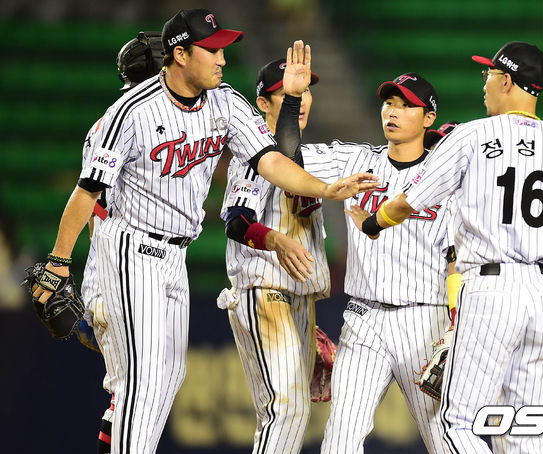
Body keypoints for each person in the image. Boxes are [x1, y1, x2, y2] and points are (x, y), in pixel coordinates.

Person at [28, 9, 376, 453]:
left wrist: (324, 188)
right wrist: (59, 262)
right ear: (180, 54)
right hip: (130, 246)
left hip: (176, 255)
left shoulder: (225, 102)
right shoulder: (131, 112)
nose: (223, 59)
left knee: (168, 377)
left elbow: (272, 160)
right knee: (143, 381)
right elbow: (86, 192)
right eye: (212, 50)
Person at [357, 41, 543, 453]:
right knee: (523, 429)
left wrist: (374, 222)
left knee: (456, 423)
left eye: (489, 74)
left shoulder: (472, 135)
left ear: (507, 81)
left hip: (492, 289)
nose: (485, 83)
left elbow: (409, 200)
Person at [275, 47, 461, 453]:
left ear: (429, 118)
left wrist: (456, 325)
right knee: (339, 440)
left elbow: (458, 260)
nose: (393, 111)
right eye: (389, 103)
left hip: (425, 322)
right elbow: (287, 156)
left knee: (447, 440)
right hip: (364, 320)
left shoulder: (449, 181)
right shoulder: (356, 160)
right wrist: (291, 99)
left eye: (406, 106)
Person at [217, 55, 329, 454]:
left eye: (305, 90)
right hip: (264, 291)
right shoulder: (256, 153)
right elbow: (236, 221)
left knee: (293, 413)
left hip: (297, 299)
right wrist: (276, 241)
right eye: (288, 93)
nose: (301, 98)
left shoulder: (303, 155)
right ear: (263, 103)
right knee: (286, 409)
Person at [73, 31, 165, 454]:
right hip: (122, 267)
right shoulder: (134, 119)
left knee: (132, 395)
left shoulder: (111, 119)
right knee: (133, 396)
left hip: (111, 266)